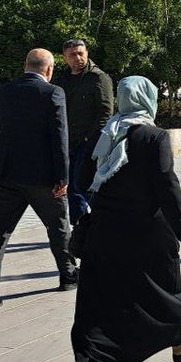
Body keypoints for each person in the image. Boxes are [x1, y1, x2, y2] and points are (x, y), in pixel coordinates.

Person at [70, 76, 181, 362]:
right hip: (148, 235)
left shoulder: (105, 135)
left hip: (104, 234)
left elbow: (82, 181)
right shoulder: (153, 136)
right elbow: (167, 187)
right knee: (167, 295)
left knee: (96, 307)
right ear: (149, 99)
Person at [0, 49, 78, 311]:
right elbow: (60, 137)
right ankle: (68, 276)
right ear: (50, 69)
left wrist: (2, 158)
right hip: (44, 178)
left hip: (8, 175)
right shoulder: (53, 93)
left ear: (25, 66)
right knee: (58, 227)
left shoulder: (2, 91)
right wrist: (63, 177)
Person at [55, 40, 114, 227]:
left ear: (87, 53)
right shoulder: (63, 79)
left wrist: (90, 137)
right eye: (72, 55)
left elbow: (106, 112)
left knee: (82, 186)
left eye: (81, 53)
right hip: (67, 141)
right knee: (71, 187)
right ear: (64, 57)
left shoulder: (98, 77)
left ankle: (105, 221)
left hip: (88, 142)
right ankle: (80, 227)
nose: (78, 58)